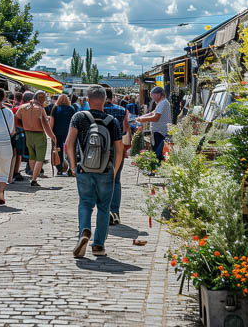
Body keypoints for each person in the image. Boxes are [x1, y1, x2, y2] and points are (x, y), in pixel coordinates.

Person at [65, 85, 123, 258]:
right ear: (105, 100)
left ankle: (84, 231)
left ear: (87, 100)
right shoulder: (112, 121)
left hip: (84, 167)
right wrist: (114, 171)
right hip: (106, 169)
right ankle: (98, 246)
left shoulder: (78, 117)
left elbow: (69, 143)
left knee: (85, 203)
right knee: (104, 207)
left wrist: (74, 165)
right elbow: (119, 150)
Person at [15, 90, 56, 186]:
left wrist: (24, 126)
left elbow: (15, 120)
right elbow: (46, 124)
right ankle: (34, 179)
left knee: (32, 156)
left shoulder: (23, 107)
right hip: (39, 135)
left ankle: (34, 176)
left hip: (28, 134)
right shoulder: (40, 109)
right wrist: (52, 136)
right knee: (40, 158)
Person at [103, 88, 130, 225]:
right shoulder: (121, 110)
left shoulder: (99, 110)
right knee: (116, 180)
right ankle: (115, 212)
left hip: (101, 148)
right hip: (117, 147)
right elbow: (125, 129)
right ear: (112, 97)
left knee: (101, 179)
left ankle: (104, 211)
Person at [136, 86, 171, 160]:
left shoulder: (163, 103)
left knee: (158, 154)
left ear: (158, 94)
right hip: (159, 131)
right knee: (157, 153)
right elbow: (152, 113)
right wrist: (140, 117)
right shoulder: (161, 103)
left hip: (160, 132)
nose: (152, 98)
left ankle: (156, 170)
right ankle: (155, 169)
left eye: (153, 95)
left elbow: (155, 118)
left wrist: (142, 119)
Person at [49, 94, 76, 175]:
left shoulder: (55, 108)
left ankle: (59, 169)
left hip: (57, 134)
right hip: (69, 133)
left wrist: (50, 134)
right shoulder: (71, 109)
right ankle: (71, 169)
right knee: (70, 151)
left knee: (58, 151)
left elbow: (51, 123)